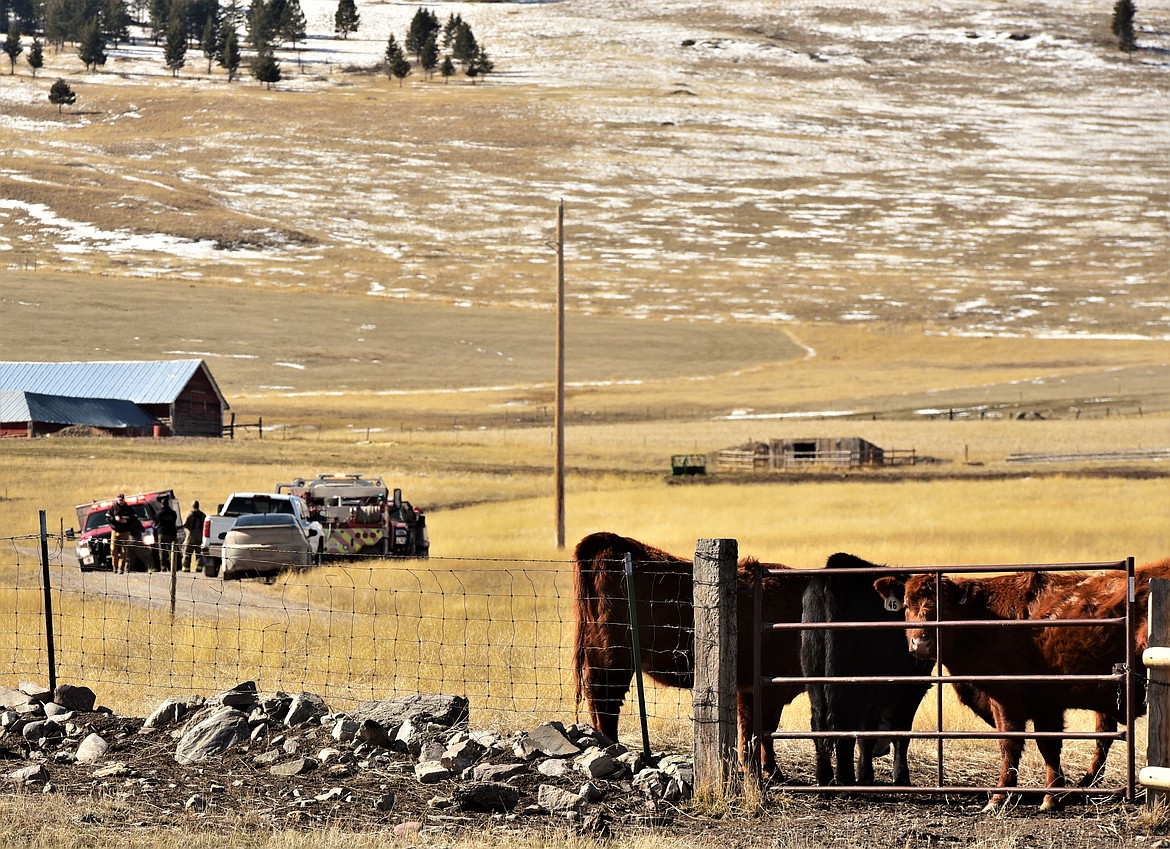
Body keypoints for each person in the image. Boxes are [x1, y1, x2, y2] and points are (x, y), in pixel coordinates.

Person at [107, 493, 144, 574]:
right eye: (119, 500)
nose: (120, 501)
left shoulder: (129, 509)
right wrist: (114, 519)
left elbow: (134, 517)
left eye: (122, 499)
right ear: (117, 499)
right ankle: (115, 567)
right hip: (115, 531)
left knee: (124, 551)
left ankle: (121, 568)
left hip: (125, 532)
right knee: (113, 550)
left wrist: (126, 521)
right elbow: (107, 517)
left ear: (124, 499)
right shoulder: (113, 508)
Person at [153, 499, 179, 573]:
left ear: (162, 504)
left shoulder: (159, 513)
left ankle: (163, 567)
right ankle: (172, 566)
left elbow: (156, 522)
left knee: (162, 551)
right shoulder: (173, 513)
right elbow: (174, 521)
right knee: (172, 551)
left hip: (162, 534)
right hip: (171, 534)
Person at [182, 500, 206, 572]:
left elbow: (185, 524)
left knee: (187, 552)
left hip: (191, 535)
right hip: (200, 536)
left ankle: (186, 567)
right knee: (199, 553)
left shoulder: (190, 515)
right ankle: (199, 567)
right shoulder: (203, 515)